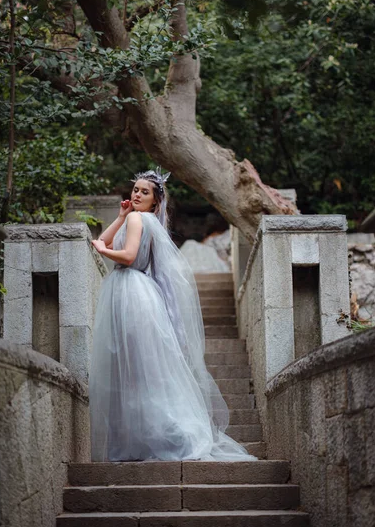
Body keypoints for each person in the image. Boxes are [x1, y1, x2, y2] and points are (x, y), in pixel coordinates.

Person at [90, 168, 257, 462]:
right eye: (135, 189)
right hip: (137, 292)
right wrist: (118, 217)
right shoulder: (141, 220)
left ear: (155, 202)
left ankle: (160, 436)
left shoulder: (138, 219)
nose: (137, 194)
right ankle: (146, 437)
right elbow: (103, 241)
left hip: (131, 291)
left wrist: (106, 249)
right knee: (139, 371)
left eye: (144, 192)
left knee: (137, 371)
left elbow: (127, 257)